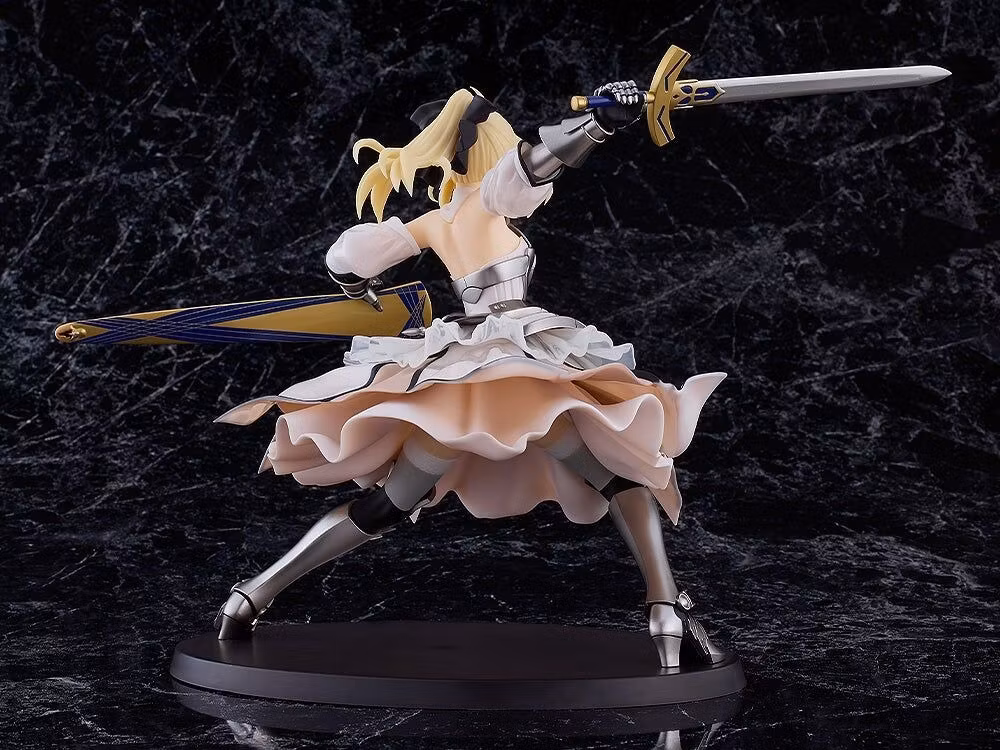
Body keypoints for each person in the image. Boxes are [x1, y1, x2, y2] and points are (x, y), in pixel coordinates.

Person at [214, 82, 728, 668]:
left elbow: (347, 262)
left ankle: (252, 594)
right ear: (487, 146)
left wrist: (359, 288)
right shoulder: (489, 196)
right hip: (517, 371)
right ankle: (665, 607)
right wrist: (601, 123)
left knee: (387, 505)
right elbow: (535, 165)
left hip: (458, 380)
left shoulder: (433, 222)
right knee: (620, 477)